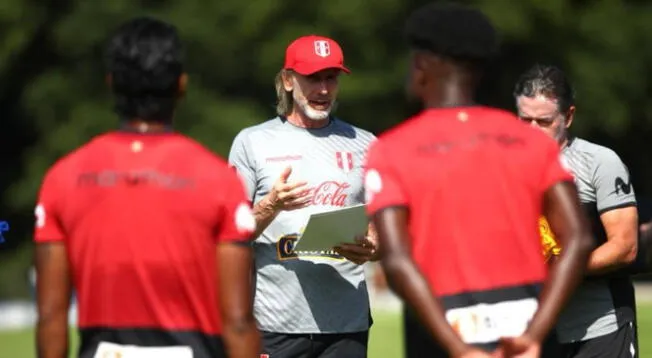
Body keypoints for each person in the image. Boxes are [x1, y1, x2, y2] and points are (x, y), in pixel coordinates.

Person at [363, 3, 594, 358]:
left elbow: (396, 261)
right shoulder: (532, 142)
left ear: (423, 64)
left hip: (440, 329)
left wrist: (460, 350)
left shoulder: (392, 149)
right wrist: (535, 335)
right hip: (527, 323)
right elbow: (577, 239)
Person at [34, 17, 260, 358]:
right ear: (181, 85)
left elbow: (51, 317)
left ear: (111, 84)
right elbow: (239, 321)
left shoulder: (61, 178)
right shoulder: (220, 181)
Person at [228, 35, 378, 358]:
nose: (323, 90)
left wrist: (373, 246)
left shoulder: (366, 143)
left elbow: (384, 232)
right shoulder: (252, 142)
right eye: (313, 78)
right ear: (288, 80)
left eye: (331, 78)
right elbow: (229, 233)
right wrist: (271, 205)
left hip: (346, 325)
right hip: (275, 324)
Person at [514, 64, 639, 358]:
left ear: (568, 116)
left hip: (599, 326)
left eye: (543, 122)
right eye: (524, 120)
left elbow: (625, 247)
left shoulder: (600, 162)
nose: (532, 130)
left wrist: (561, 269)